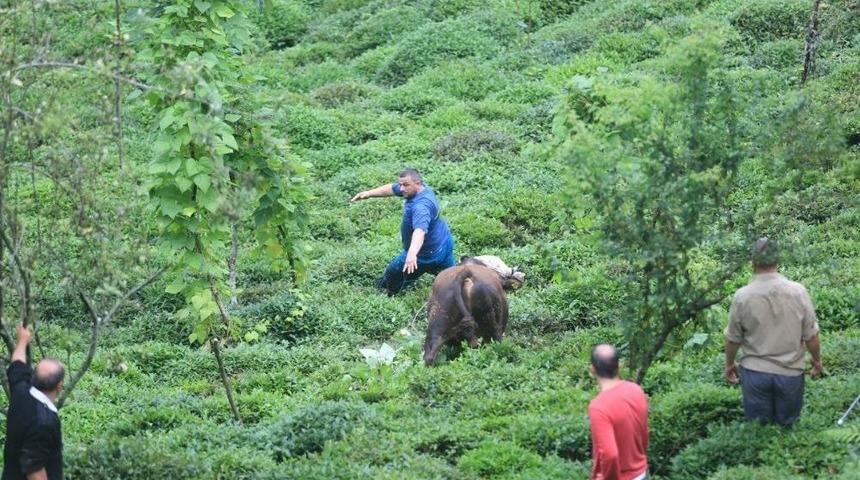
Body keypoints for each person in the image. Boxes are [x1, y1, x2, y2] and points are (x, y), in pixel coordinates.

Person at [724, 237, 822, 427]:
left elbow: (733, 339)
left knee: (759, 432)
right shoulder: (798, 292)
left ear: (752, 262)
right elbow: (811, 335)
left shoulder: (742, 296)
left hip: (755, 374)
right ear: (777, 261)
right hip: (791, 374)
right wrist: (816, 361)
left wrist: (729, 364)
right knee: (787, 431)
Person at [351, 168, 455, 295]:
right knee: (453, 279)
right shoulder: (420, 190)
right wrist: (369, 193)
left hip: (426, 253)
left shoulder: (421, 206)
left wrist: (412, 255)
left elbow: (420, 231)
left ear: (417, 183)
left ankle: (390, 293)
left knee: (392, 274)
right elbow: (391, 188)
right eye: (401, 184)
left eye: (405, 185)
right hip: (444, 241)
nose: (401, 188)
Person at [2, 325, 65, 480]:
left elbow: (17, 364)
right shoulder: (43, 422)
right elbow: (35, 470)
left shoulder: (21, 392)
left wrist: (22, 340)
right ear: (59, 385)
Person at [587, 344, 649, 480]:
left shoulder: (598, 407)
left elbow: (610, 455)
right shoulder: (636, 390)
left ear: (592, 369)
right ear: (619, 365)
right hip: (642, 473)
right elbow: (644, 434)